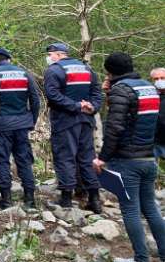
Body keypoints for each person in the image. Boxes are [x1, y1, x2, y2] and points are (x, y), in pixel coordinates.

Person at [93, 53, 165, 262]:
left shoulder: (122, 90)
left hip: (127, 161)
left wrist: (102, 158)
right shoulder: (149, 88)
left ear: (110, 71)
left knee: (130, 210)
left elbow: (114, 127)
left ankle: (141, 258)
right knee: (151, 208)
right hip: (148, 158)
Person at [43, 42, 103, 212]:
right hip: (86, 120)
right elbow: (97, 92)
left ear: (58, 54)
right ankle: (94, 199)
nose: (49, 58)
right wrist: (92, 106)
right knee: (87, 158)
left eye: (50, 54)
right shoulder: (87, 69)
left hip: (65, 121)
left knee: (65, 157)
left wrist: (76, 106)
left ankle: (66, 199)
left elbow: (53, 95)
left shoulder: (54, 70)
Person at [0, 48, 41, 209]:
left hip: (1, 125)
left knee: (2, 160)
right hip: (22, 124)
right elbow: (35, 100)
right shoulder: (24, 74)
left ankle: (6, 200)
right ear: (9, 58)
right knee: (24, 161)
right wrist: (31, 120)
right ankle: (30, 199)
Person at [152, 68, 165, 158]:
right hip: (155, 142)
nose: (159, 81)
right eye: (156, 79)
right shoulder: (152, 96)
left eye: (162, 78)